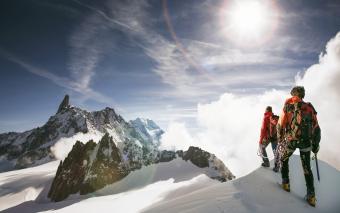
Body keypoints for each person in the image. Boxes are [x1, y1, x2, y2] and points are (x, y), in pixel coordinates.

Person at [277, 86, 321, 207]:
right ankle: (311, 196)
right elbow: (316, 128)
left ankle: (285, 183)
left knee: (283, 158)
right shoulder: (310, 108)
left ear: (293, 94)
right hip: (306, 142)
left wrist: (280, 138)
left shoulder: (288, 106)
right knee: (307, 168)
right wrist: (316, 146)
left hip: (292, 140)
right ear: (303, 95)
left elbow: (280, 125)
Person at [258, 106, 279, 172]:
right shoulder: (274, 117)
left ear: (266, 110)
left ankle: (266, 163)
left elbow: (263, 129)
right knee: (275, 151)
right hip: (275, 136)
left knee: (261, 147)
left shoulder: (266, 117)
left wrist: (260, 140)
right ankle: (277, 166)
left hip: (268, 137)